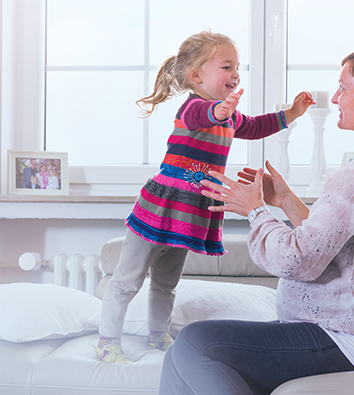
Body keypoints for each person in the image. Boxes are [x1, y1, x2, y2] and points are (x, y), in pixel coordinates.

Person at [158, 47, 354, 394]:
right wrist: (285, 201)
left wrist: (256, 211)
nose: (336, 98)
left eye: (343, 87)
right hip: (346, 334)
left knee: (196, 341)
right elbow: (333, 245)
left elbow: (297, 258)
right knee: (177, 357)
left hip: (350, 339)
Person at [97, 30, 315, 364]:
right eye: (227, 67)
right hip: (160, 207)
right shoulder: (194, 108)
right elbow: (203, 115)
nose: (235, 73)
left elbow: (256, 127)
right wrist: (220, 111)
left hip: (190, 212)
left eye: (237, 67)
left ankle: (158, 333)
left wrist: (292, 114)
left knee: (166, 283)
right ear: (196, 75)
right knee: (127, 280)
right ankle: (108, 341)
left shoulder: (230, 117)